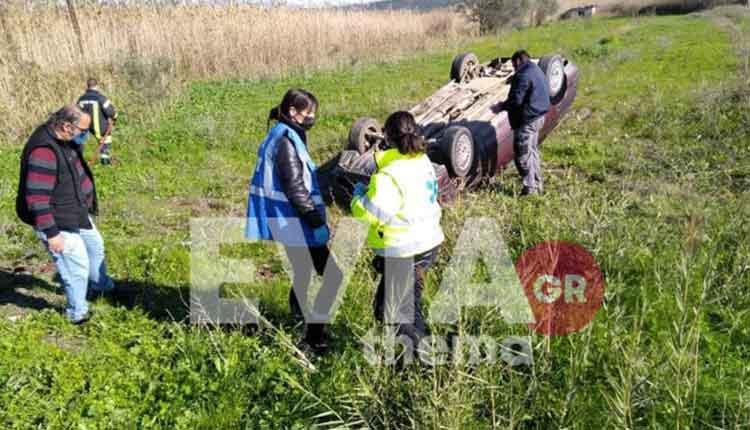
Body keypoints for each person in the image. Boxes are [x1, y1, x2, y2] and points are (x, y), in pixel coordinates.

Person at [245, 89, 343, 353]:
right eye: (308, 113)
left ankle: (300, 320)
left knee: (304, 272)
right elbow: (295, 187)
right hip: (294, 220)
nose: (312, 117)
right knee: (332, 275)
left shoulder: (286, 134)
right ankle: (313, 339)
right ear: (292, 112)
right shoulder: (286, 142)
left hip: (289, 219)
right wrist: (315, 221)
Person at [351, 111, 444, 358]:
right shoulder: (421, 161)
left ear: (387, 138)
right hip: (427, 242)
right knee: (396, 306)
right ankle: (411, 353)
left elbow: (372, 214)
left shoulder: (388, 175)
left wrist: (357, 199)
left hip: (404, 249)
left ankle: (423, 360)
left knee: (397, 314)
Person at [15, 105, 115, 324]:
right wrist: (52, 234)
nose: (86, 136)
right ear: (66, 126)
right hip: (56, 219)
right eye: (83, 131)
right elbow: (37, 198)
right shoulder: (45, 151)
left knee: (94, 246)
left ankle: (100, 287)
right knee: (76, 265)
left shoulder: (65, 139)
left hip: (74, 210)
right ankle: (77, 313)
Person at [505, 50, 551, 196]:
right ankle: (538, 184)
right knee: (532, 152)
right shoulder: (536, 69)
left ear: (518, 61)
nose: (514, 69)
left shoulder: (522, 75)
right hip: (539, 117)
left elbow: (515, 101)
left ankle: (530, 189)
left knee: (522, 155)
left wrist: (502, 106)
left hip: (527, 120)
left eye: (514, 66)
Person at [77, 78, 118, 165]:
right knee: (106, 139)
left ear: (87, 86)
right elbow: (110, 111)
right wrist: (114, 117)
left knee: (80, 141)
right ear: (96, 86)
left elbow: (76, 111)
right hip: (99, 125)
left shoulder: (81, 99)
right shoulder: (101, 98)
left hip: (84, 125)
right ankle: (105, 161)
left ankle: (77, 160)